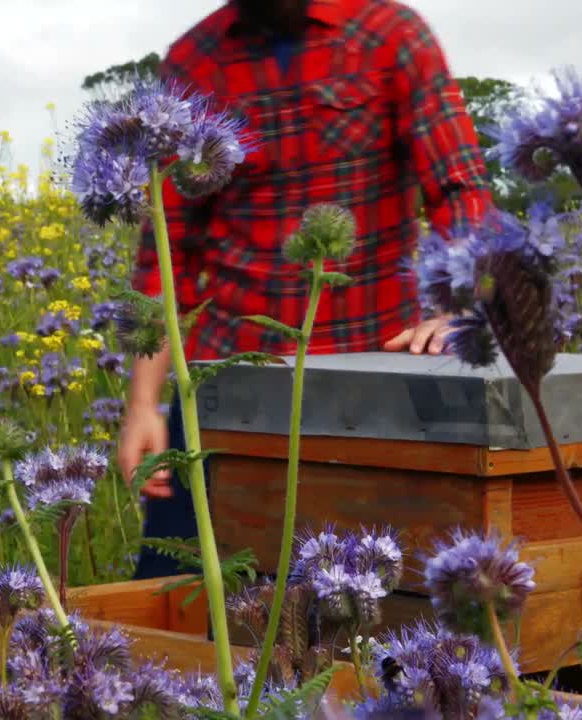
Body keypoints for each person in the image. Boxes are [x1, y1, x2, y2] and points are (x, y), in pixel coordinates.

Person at [118, 0, 494, 579]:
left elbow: (459, 187)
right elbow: (167, 251)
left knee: (371, 616)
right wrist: (143, 404)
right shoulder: (196, 60)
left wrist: (457, 310)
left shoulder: (392, 37)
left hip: (373, 389)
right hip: (227, 394)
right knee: (185, 604)